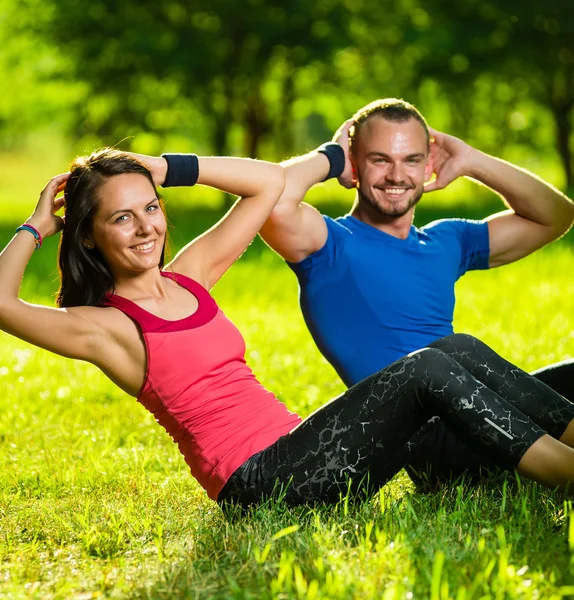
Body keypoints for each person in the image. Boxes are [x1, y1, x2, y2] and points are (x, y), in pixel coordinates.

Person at [1, 148, 574, 509]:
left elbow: (267, 185)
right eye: (121, 217)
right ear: (87, 235)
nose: (145, 227)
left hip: (307, 456)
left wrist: (165, 169)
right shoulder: (106, 328)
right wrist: (35, 225)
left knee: (451, 348)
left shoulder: (190, 278)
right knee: (425, 367)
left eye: (150, 208)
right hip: (261, 484)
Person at [259, 97, 574, 486]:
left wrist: (472, 160)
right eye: (380, 159)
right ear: (354, 165)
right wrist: (330, 157)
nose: (397, 175)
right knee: (453, 349)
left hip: (487, 408)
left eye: (411, 160)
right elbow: (267, 202)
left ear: (427, 166)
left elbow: (556, 216)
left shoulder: (448, 239)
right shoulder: (328, 244)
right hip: (431, 441)